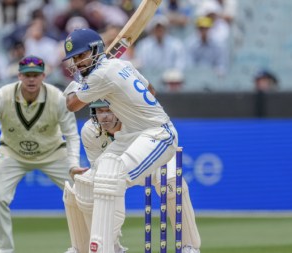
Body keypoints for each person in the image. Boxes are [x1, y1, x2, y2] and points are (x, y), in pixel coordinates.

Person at [62, 28, 178, 253]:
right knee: (86, 182)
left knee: (111, 176)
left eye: (80, 56)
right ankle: (96, 247)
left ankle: (103, 247)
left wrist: (80, 81)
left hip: (158, 134)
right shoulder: (122, 65)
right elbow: (151, 90)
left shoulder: (101, 74)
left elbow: (71, 105)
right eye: (74, 58)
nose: (77, 63)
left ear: (95, 49)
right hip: (132, 135)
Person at [0, 55, 85, 253]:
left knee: (83, 196)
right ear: (19, 76)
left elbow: (72, 135)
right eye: (27, 75)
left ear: (43, 76)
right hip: (12, 153)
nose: (32, 79)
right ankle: (6, 250)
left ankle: (85, 245)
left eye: (36, 75)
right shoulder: (2, 96)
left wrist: (73, 164)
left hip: (53, 154)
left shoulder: (57, 98)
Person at [64, 101, 201, 253]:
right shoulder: (90, 131)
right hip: (117, 171)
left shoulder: (137, 120)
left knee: (172, 180)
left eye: (108, 110)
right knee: (82, 185)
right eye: (100, 111)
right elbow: (98, 168)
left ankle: (188, 246)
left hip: (151, 164)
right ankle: (101, 248)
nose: (104, 116)